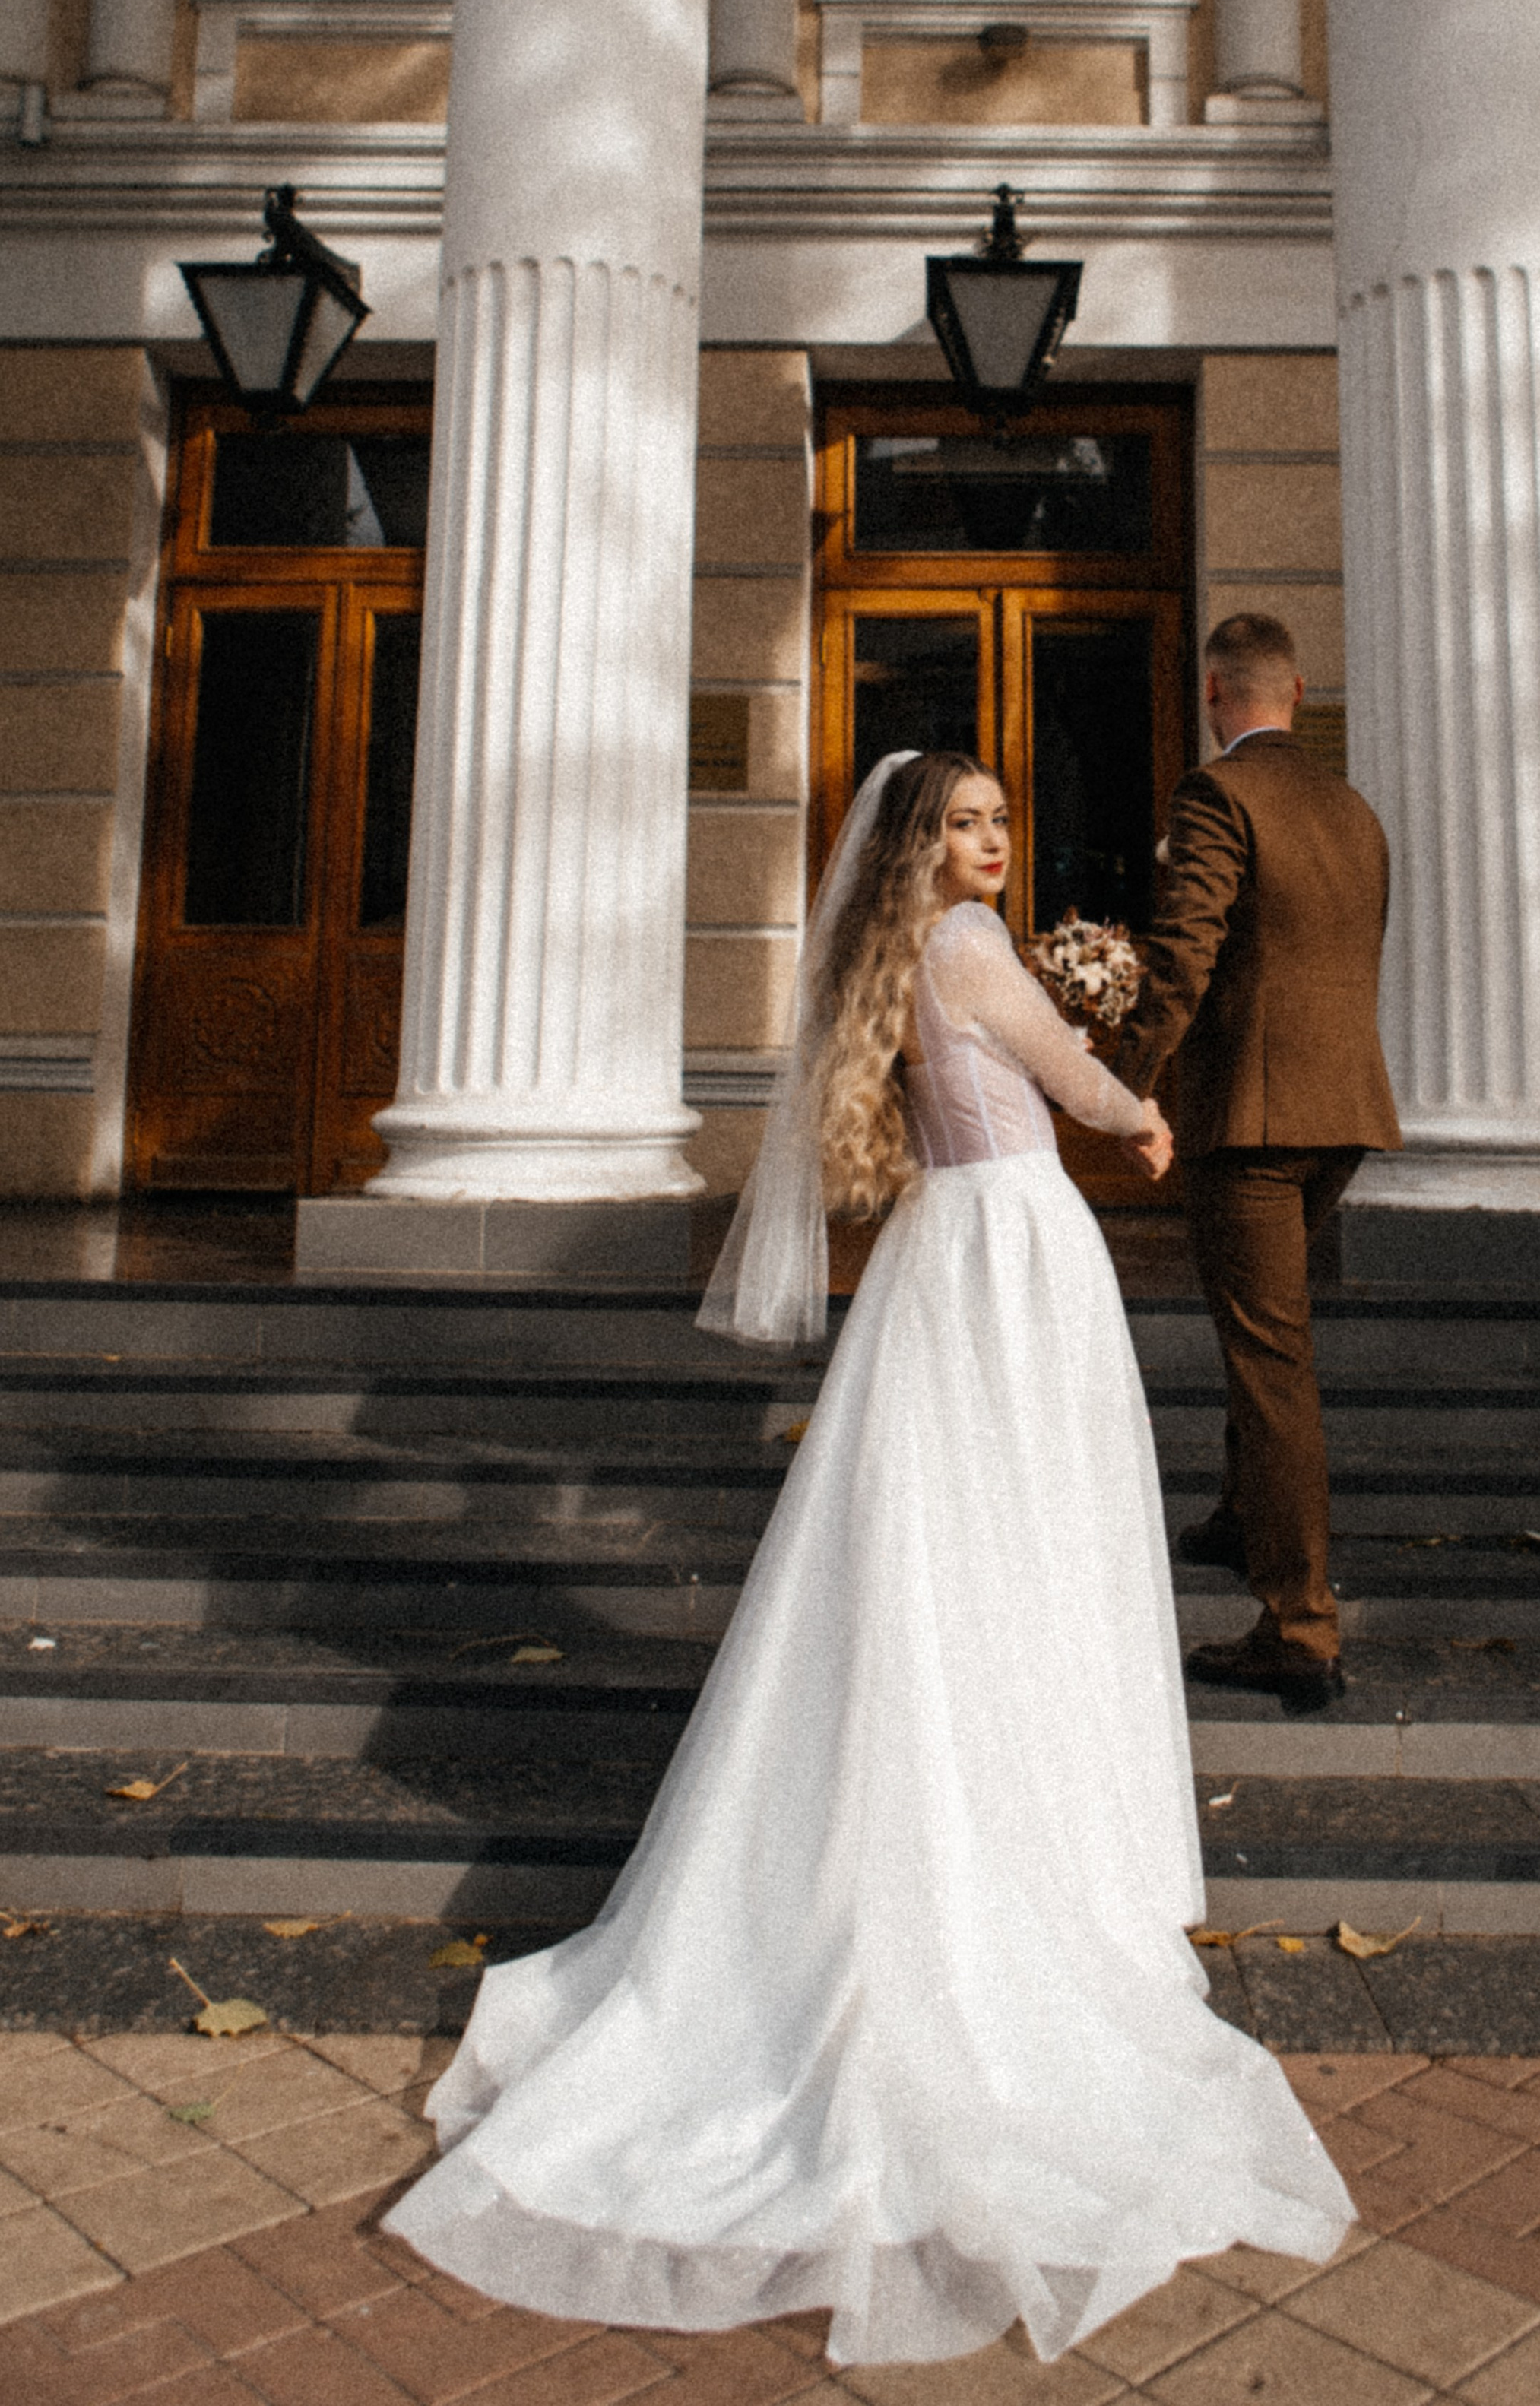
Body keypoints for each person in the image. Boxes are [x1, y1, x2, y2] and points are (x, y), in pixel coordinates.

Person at [382, 747, 1355, 2366]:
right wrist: (1140, 1116)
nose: (989, 842)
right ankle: (1015, 1867)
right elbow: (1070, 1081)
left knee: (953, 1542)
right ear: (922, 846)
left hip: (944, 1257)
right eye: (964, 824)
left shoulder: (899, 954)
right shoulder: (972, 953)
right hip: (1008, 1250)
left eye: (997, 822)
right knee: (1021, 1533)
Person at [1114, 615, 1401, 1713]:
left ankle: (1299, 1624)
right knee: (1269, 1328)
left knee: (1270, 1361)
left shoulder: (1216, 796)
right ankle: (1240, 1519)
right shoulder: (1353, 807)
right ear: (1297, 688)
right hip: (1345, 1111)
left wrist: (1128, 1075)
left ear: (1215, 692)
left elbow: (1187, 947)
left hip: (1253, 1119)